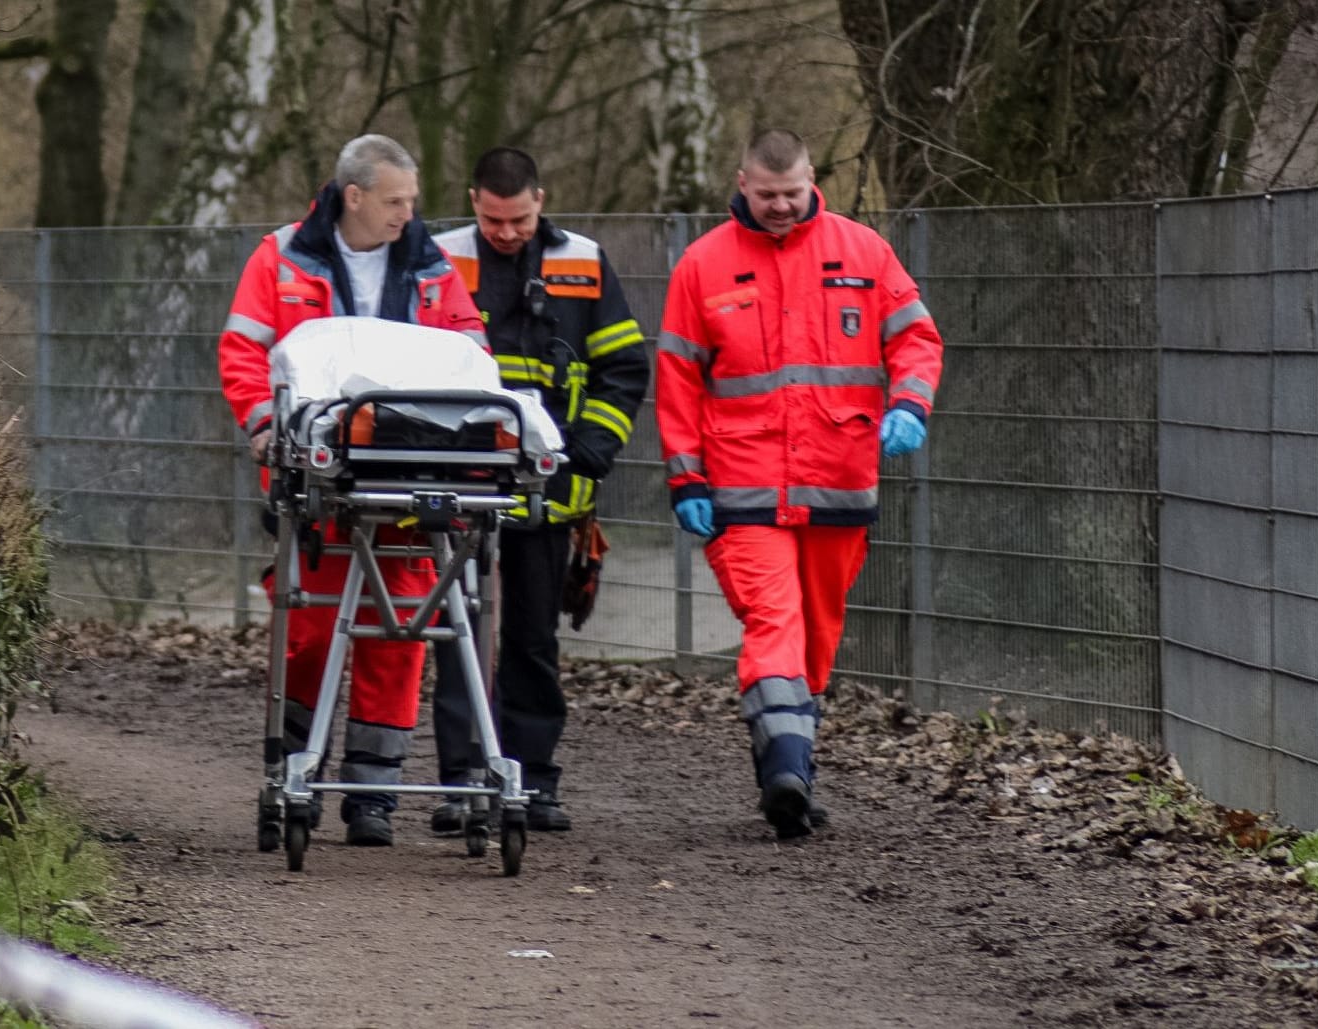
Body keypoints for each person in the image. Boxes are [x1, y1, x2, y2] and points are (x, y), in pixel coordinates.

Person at [655, 129, 943, 840]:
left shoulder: (863, 252)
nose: (781, 206)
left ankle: (789, 772)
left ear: (811, 180)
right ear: (741, 184)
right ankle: (786, 766)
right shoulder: (703, 264)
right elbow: (678, 380)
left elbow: (915, 337)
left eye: (791, 193)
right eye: (766, 194)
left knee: (815, 636)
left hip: (838, 482)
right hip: (742, 484)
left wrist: (909, 403)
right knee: (773, 620)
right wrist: (685, 476)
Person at [217, 134, 486, 847]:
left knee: (402, 625)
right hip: (318, 474)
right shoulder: (281, 258)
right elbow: (244, 349)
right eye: (396, 200)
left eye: (412, 200)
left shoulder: (431, 267)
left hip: (408, 468)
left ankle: (373, 794)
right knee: (308, 629)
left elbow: (469, 350)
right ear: (355, 195)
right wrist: (265, 422)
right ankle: (294, 773)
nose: (408, 213)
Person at [427, 147, 649, 832]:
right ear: (472, 202)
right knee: (459, 636)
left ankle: (531, 780)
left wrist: (595, 445)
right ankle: (462, 781)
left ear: (540, 201)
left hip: (552, 492)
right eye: (494, 219)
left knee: (531, 642)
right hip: (460, 487)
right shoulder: (441, 261)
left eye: (519, 219)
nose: (506, 233)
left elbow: (623, 365)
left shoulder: (582, 262)